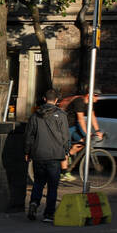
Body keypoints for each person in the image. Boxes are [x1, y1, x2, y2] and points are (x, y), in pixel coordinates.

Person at [24, 88, 71, 224]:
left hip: (38, 154)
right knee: (52, 186)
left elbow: (29, 136)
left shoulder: (35, 115)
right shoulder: (61, 115)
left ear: (44, 99)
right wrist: (66, 151)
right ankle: (48, 214)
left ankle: (34, 203)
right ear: (56, 100)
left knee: (38, 182)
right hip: (54, 156)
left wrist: (27, 152)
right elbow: (65, 136)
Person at [63, 89, 105, 172]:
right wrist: (87, 134)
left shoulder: (89, 104)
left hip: (74, 126)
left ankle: (69, 157)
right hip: (66, 126)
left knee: (82, 143)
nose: (97, 98)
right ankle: (63, 171)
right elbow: (80, 119)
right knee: (65, 149)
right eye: (95, 96)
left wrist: (98, 131)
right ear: (88, 95)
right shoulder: (79, 101)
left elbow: (93, 117)